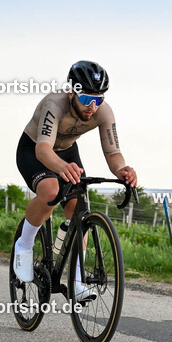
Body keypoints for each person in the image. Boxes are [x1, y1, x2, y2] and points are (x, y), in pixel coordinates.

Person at [13, 61, 137, 301]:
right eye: (86, 99)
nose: (92, 107)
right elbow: (44, 150)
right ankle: (24, 245)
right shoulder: (54, 104)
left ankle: (77, 280)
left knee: (79, 206)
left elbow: (112, 153)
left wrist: (122, 169)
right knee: (51, 189)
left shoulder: (103, 112)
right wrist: (61, 167)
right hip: (35, 149)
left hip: (67, 151)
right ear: (72, 92)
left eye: (98, 100)